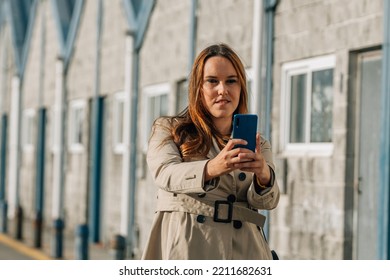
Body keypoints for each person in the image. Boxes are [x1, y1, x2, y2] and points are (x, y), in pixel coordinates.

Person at [141, 43, 280, 260]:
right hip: (189, 245)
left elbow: (268, 203)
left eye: (231, 81)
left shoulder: (258, 143)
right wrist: (213, 168)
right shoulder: (168, 129)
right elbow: (165, 174)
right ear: (199, 88)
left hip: (245, 249)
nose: (222, 90)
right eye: (212, 81)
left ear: (241, 88)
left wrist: (264, 175)